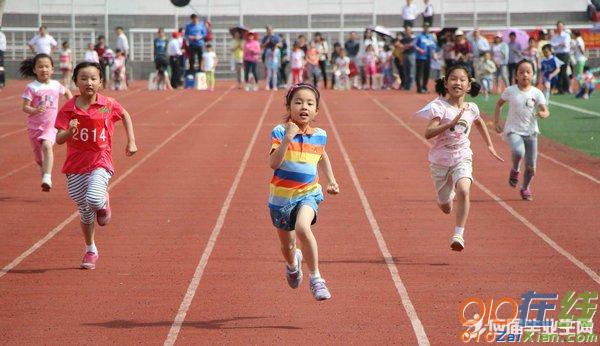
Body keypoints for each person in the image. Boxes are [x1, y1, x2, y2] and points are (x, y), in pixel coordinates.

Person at [55, 61, 137, 270]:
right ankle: (90, 248)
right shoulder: (68, 109)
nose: (88, 82)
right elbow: (59, 139)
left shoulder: (108, 104)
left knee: (93, 198)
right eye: (83, 78)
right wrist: (69, 131)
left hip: (101, 160)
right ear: (75, 82)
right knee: (84, 209)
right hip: (75, 166)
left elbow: (125, 114)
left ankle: (102, 202)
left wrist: (131, 141)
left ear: (100, 82)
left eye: (93, 78)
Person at [415, 64, 503, 251]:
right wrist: (450, 124)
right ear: (445, 84)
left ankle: (458, 234)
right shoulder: (440, 107)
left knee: (464, 189)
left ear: (468, 85)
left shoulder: (472, 107)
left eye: (462, 79)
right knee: (446, 205)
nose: (458, 83)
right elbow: (428, 133)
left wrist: (489, 145)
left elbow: (478, 122)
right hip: (440, 162)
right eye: (453, 79)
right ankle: (444, 199)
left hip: (462, 156)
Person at [269, 83, 339, 301]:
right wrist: (288, 139)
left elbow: (322, 155)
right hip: (281, 199)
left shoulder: (320, 135)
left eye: (310, 103)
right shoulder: (280, 131)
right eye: (298, 102)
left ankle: (316, 278)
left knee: (302, 227)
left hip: (308, 193)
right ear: (289, 107)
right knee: (287, 245)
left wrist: (332, 180)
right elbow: (273, 163)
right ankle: (292, 264)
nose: (304, 106)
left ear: (316, 110)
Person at [494, 59, 549, 201]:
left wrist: (543, 114)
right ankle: (516, 169)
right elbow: (499, 105)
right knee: (518, 151)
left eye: (528, 72)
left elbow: (545, 110)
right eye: (521, 72)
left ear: (533, 75)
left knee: (531, 167)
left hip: (531, 132)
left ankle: (525, 188)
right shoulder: (510, 91)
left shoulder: (537, 93)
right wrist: (497, 122)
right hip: (513, 130)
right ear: (516, 75)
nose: (525, 75)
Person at [20, 53, 73, 191]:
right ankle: (44, 173)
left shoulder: (56, 85)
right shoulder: (32, 87)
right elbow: (25, 107)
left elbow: (67, 92)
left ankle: (47, 177)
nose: (44, 69)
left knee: (47, 146)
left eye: (47, 66)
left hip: (51, 126)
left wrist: (72, 105)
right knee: (39, 160)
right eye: (40, 66)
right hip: (34, 127)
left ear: (52, 69)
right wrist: (35, 110)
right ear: (34, 70)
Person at [550, 21, 571, 94]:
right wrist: (559, 44)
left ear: (563, 27)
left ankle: (567, 88)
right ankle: (560, 89)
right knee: (558, 71)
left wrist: (557, 45)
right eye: (558, 26)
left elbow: (565, 44)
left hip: (565, 54)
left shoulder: (566, 35)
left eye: (561, 26)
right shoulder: (555, 36)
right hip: (557, 55)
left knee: (563, 71)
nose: (559, 27)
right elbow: (552, 45)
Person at [415, 23, 436, 93]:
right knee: (419, 73)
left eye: (427, 27)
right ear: (423, 28)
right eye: (425, 27)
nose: (426, 28)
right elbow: (414, 45)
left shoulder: (430, 36)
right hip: (420, 57)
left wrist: (433, 54)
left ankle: (424, 86)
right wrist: (419, 49)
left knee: (426, 73)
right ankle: (419, 88)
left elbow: (433, 46)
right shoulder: (419, 36)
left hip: (428, 57)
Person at [401, 26, 416, 90]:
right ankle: (406, 86)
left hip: (411, 55)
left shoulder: (414, 38)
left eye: (408, 30)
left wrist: (405, 46)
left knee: (411, 71)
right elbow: (401, 47)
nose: (407, 31)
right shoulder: (403, 39)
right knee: (406, 71)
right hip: (405, 55)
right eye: (406, 30)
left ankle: (411, 85)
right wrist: (406, 46)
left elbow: (413, 45)